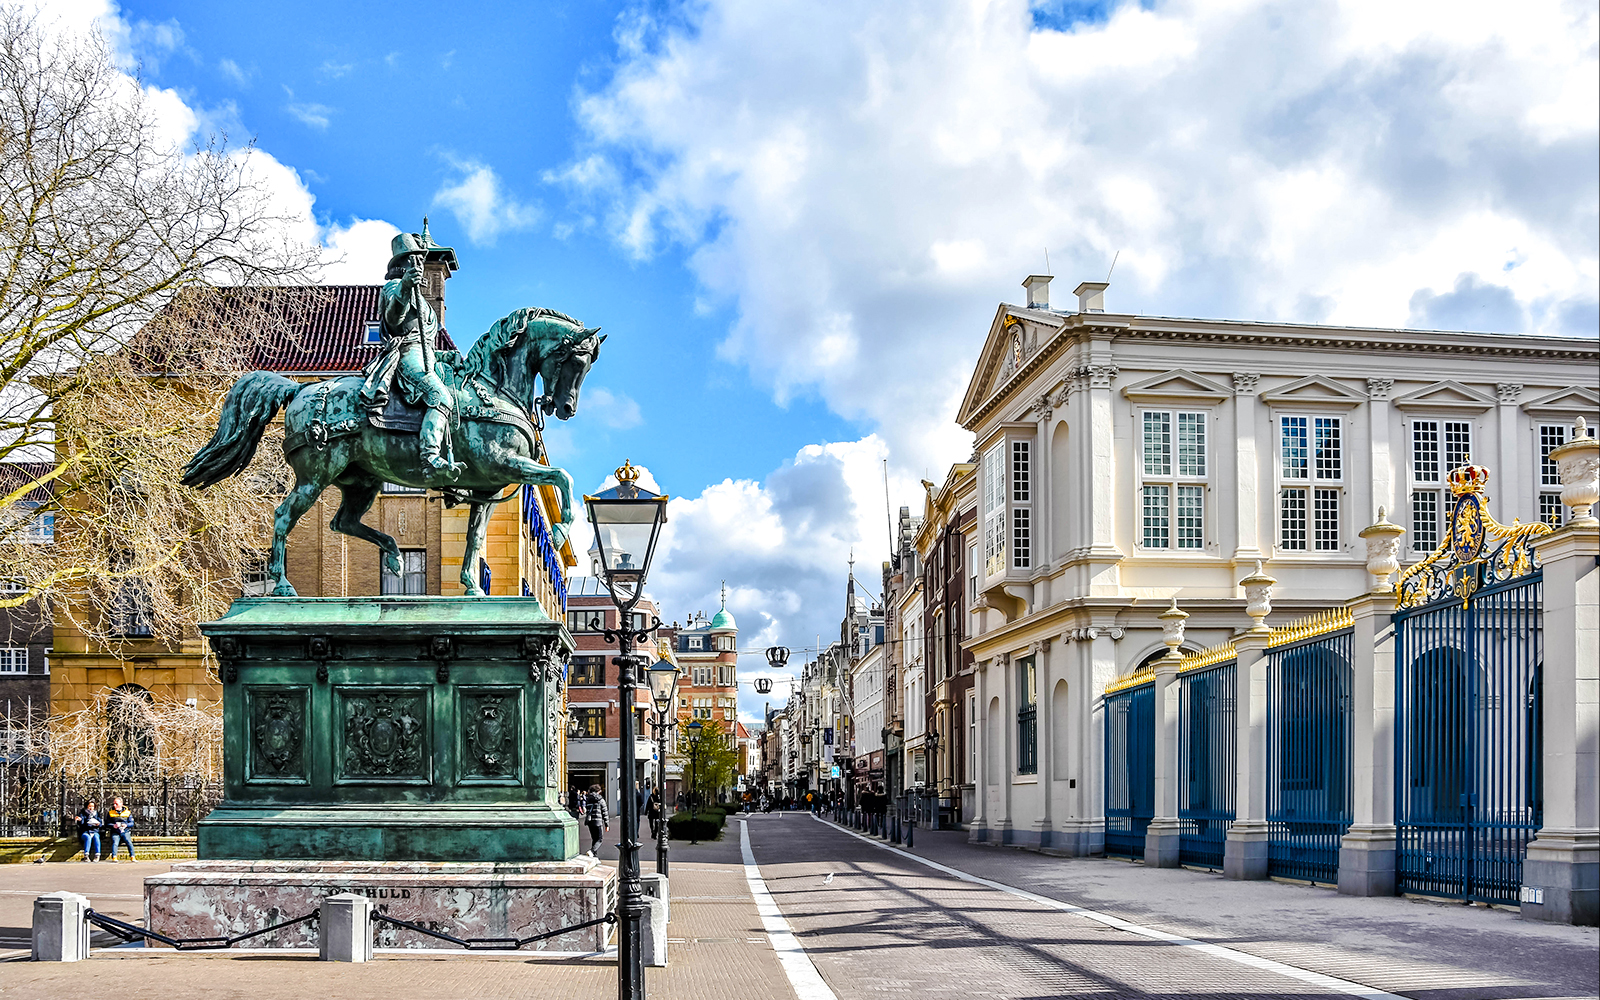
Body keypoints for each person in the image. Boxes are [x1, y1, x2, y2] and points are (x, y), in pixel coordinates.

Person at [358, 225, 463, 480]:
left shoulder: (425, 303)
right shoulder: (393, 286)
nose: (421, 262)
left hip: (425, 357)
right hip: (406, 355)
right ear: (405, 262)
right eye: (416, 257)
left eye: (422, 258)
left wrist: (446, 357)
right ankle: (430, 457)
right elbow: (394, 319)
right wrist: (405, 287)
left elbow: (428, 343)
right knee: (440, 396)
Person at [104, 796, 135, 862]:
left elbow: (132, 823)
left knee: (129, 842)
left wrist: (126, 825)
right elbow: (107, 823)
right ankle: (114, 856)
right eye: (114, 804)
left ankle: (132, 856)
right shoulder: (111, 813)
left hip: (125, 831)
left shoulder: (128, 812)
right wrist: (113, 825)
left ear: (121, 803)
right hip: (115, 831)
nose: (115, 805)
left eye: (116, 804)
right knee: (115, 842)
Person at [583, 784, 608, 857]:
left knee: (594, 838)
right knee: (599, 839)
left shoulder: (588, 799)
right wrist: (607, 824)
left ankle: (594, 855)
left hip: (590, 822)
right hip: (598, 821)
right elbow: (605, 812)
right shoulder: (600, 800)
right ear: (599, 791)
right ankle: (592, 851)